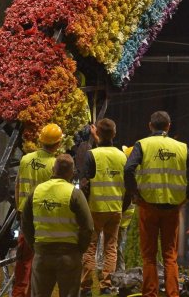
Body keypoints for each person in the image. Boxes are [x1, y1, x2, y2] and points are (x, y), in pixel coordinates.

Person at [124, 111, 189, 297]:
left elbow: (129, 168)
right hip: (172, 207)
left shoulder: (142, 145)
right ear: (168, 127)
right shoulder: (181, 147)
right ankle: (172, 294)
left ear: (150, 126)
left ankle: (150, 294)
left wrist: (135, 194)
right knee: (170, 256)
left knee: (149, 257)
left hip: (148, 206)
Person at [22, 153, 94, 297]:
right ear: (72, 173)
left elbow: (25, 224)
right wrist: (80, 249)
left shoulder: (36, 192)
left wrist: (35, 246)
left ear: (53, 170)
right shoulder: (75, 194)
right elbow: (88, 227)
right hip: (69, 255)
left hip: (42, 254)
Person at [13, 123, 64, 297]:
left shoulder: (26, 159)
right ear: (57, 144)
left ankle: (19, 293)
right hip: (44, 218)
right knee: (40, 262)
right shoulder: (56, 164)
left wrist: (19, 208)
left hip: (24, 216)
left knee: (23, 261)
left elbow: (17, 186)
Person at [80, 118, 126, 296]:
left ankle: (85, 287)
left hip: (95, 208)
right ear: (114, 134)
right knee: (110, 248)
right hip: (115, 208)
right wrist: (122, 206)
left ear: (97, 133)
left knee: (90, 247)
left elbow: (84, 184)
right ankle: (106, 286)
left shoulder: (92, 155)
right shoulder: (122, 156)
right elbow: (128, 185)